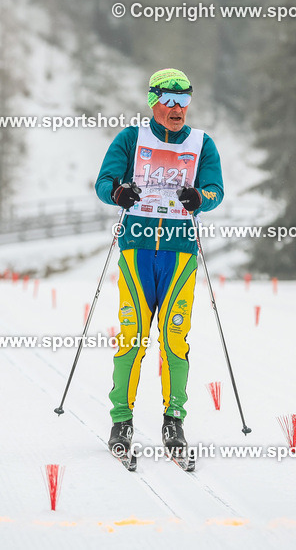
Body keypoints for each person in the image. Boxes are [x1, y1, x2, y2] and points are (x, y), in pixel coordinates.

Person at [94, 68, 224, 455]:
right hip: (136, 248)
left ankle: (174, 421)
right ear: (153, 103)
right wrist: (119, 193)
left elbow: (215, 189)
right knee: (133, 335)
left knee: (174, 336)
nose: (177, 108)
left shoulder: (202, 144)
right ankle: (121, 421)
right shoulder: (132, 138)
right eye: (168, 100)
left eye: (184, 100)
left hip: (180, 252)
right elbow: (104, 183)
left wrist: (200, 199)